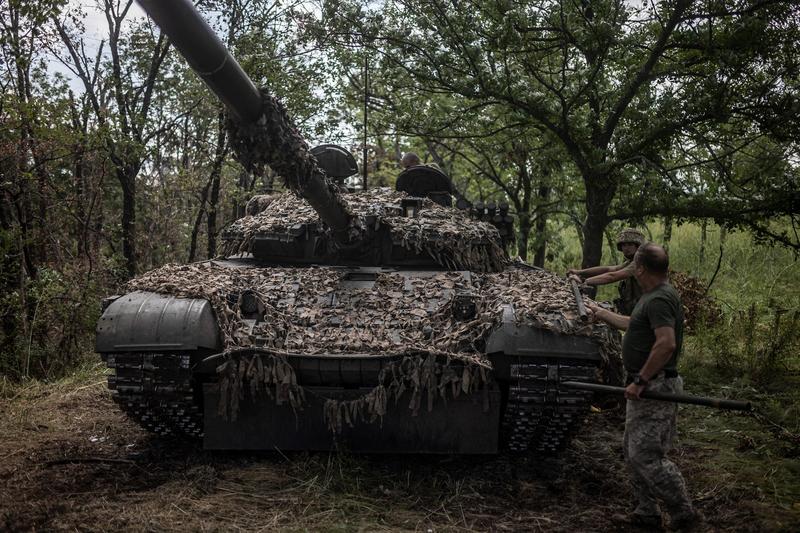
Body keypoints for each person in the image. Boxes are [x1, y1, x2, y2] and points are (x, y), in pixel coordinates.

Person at [586, 243, 699, 530]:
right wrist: (599, 313)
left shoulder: (659, 299)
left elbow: (666, 343)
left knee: (645, 455)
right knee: (631, 449)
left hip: (654, 386)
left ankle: (683, 512)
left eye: (633, 264)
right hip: (647, 385)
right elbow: (633, 324)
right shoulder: (653, 296)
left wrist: (641, 379)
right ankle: (647, 510)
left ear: (640, 268)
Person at [567, 228, 645, 314]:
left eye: (630, 244)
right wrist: (579, 272)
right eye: (624, 245)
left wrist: (584, 281)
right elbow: (609, 269)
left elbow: (613, 276)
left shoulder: (640, 262)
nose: (626, 248)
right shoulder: (631, 262)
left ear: (638, 246)